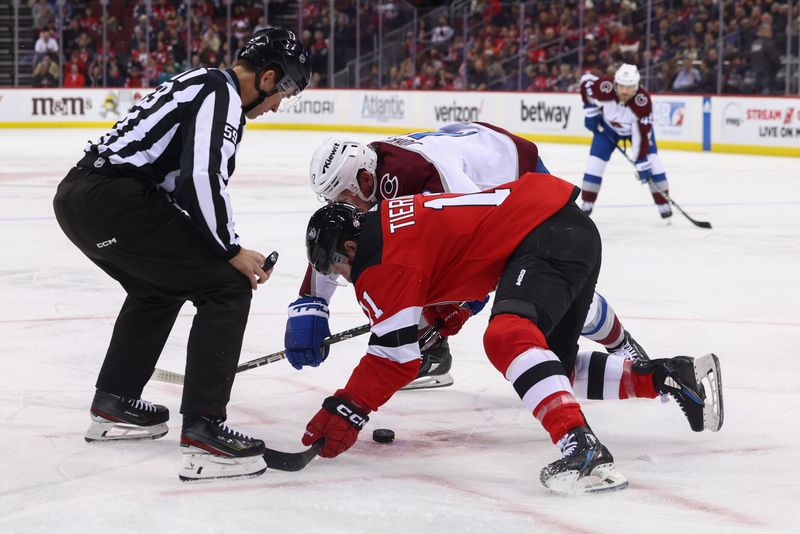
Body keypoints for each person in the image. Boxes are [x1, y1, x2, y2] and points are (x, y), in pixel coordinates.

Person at [299, 178, 723, 495]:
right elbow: (453, 249)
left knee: (505, 337)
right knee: (548, 367)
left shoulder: (380, 264)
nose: (341, 276)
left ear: (349, 249)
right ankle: (669, 376)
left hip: (544, 236)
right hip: (565, 227)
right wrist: (444, 310)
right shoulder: (392, 222)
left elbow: (395, 359)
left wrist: (346, 409)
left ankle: (583, 450)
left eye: (336, 266)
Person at [52, 28, 311, 482]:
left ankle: (115, 403)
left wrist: (216, 245)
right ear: (268, 78)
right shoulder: (221, 91)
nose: (276, 107)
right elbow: (200, 178)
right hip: (114, 200)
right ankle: (205, 433)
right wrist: (230, 250)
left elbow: (177, 190)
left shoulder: (201, 84)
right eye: (283, 94)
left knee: (157, 287)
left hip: (80, 199)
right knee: (227, 286)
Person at [285, 122, 648, 391]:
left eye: (343, 200)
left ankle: (621, 343)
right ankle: (434, 352)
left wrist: (463, 306)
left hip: (518, 176)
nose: (342, 209)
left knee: (546, 283)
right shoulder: (372, 174)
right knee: (409, 272)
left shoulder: (426, 177)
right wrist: (312, 301)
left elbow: (482, 240)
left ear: (365, 181)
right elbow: (341, 232)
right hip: (478, 166)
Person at [580, 63, 673, 220]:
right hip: (607, 130)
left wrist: (641, 160)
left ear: (637, 86)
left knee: (654, 162)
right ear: (615, 83)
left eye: (630, 87)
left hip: (634, 133)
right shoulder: (605, 86)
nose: (624, 91)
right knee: (594, 163)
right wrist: (591, 111)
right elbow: (586, 81)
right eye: (621, 86)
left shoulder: (642, 102)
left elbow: (641, 135)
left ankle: (663, 203)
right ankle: (586, 203)